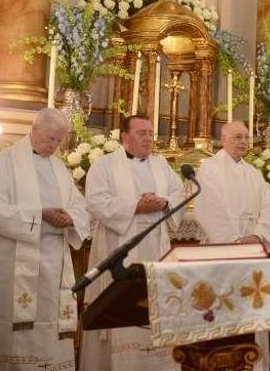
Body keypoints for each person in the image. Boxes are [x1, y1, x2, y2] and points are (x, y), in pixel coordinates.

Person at [0, 108, 90, 371]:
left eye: (59, 141)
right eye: (51, 139)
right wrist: (38, 216)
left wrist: (70, 218)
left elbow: (79, 206)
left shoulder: (59, 168)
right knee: (11, 327)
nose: (55, 146)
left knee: (47, 323)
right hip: (12, 259)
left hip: (53, 266)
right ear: (35, 128)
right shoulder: (4, 162)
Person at [80, 115, 186, 370]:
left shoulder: (161, 165)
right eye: (142, 133)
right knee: (118, 308)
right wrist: (135, 206)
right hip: (119, 246)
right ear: (125, 137)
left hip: (155, 246)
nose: (149, 138)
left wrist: (163, 202)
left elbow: (178, 192)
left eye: (151, 133)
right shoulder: (104, 166)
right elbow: (95, 202)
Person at [194, 120, 270, 371]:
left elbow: (269, 207)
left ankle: (252, 363)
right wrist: (234, 241)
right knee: (223, 309)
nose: (243, 142)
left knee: (249, 310)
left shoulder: (254, 172)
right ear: (224, 138)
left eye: (246, 137)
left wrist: (258, 235)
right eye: (238, 137)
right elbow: (207, 208)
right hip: (222, 252)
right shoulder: (209, 168)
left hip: (251, 250)